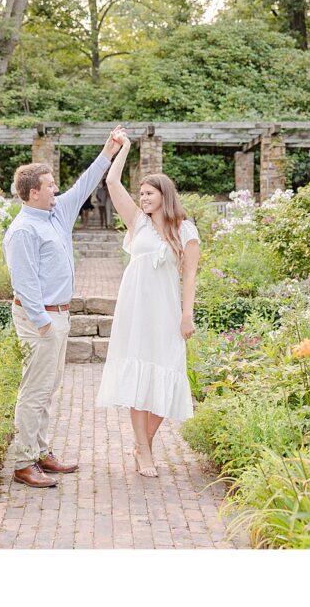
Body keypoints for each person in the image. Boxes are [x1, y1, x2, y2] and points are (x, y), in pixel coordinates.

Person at [2, 128, 125, 487]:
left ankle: (40, 452)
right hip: (38, 318)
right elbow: (23, 282)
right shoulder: (23, 230)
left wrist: (108, 151)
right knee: (35, 389)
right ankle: (24, 462)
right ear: (33, 192)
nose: (57, 188)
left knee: (49, 386)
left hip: (59, 316)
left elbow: (86, 184)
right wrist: (43, 324)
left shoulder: (56, 213)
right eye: (51, 184)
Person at [95, 127, 200, 478]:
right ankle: (143, 450)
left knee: (168, 376)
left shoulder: (185, 229)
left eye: (149, 193)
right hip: (135, 311)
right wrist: (123, 148)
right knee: (138, 379)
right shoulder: (137, 223)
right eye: (140, 193)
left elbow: (190, 277)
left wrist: (187, 315)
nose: (143, 198)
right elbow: (111, 183)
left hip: (167, 312)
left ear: (164, 195)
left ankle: (144, 443)